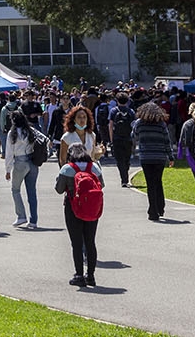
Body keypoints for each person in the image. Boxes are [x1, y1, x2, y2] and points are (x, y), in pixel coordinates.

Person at [56, 143, 104, 287]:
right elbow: (102, 184)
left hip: (73, 208)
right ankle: (91, 275)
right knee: (90, 242)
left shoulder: (67, 169)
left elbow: (59, 189)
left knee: (76, 243)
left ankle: (79, 275)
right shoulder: (94, 167)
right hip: (92, 208)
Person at [133, 102, 175, 221]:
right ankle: (160, 207)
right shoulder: (161, 125)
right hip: (159, 157)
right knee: (157, 181)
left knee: (150, 184)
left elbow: (134, 135)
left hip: (146, 157)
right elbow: (167, 141)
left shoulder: (139, 124)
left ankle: (153, 211)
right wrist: (171, 157)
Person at [3, 110, 41, 230]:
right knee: (32, 192)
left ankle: (21, 215)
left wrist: (8, 170)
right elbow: (45, 139)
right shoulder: (30, 130)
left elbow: (9, 153)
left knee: (15, 189)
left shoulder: (12, 133)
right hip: (32, 161)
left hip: (19, 162)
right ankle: (33, 220)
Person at [109, 95, 136, 187]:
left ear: (117, 100)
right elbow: (133, 126)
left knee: (119, 159)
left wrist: (111, 139)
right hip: (128, 138)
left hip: (117, 138)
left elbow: (111, 126)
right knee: (127, 159)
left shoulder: (113, 111)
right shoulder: (131, 111)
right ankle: (126, 174)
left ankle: (124, 179)